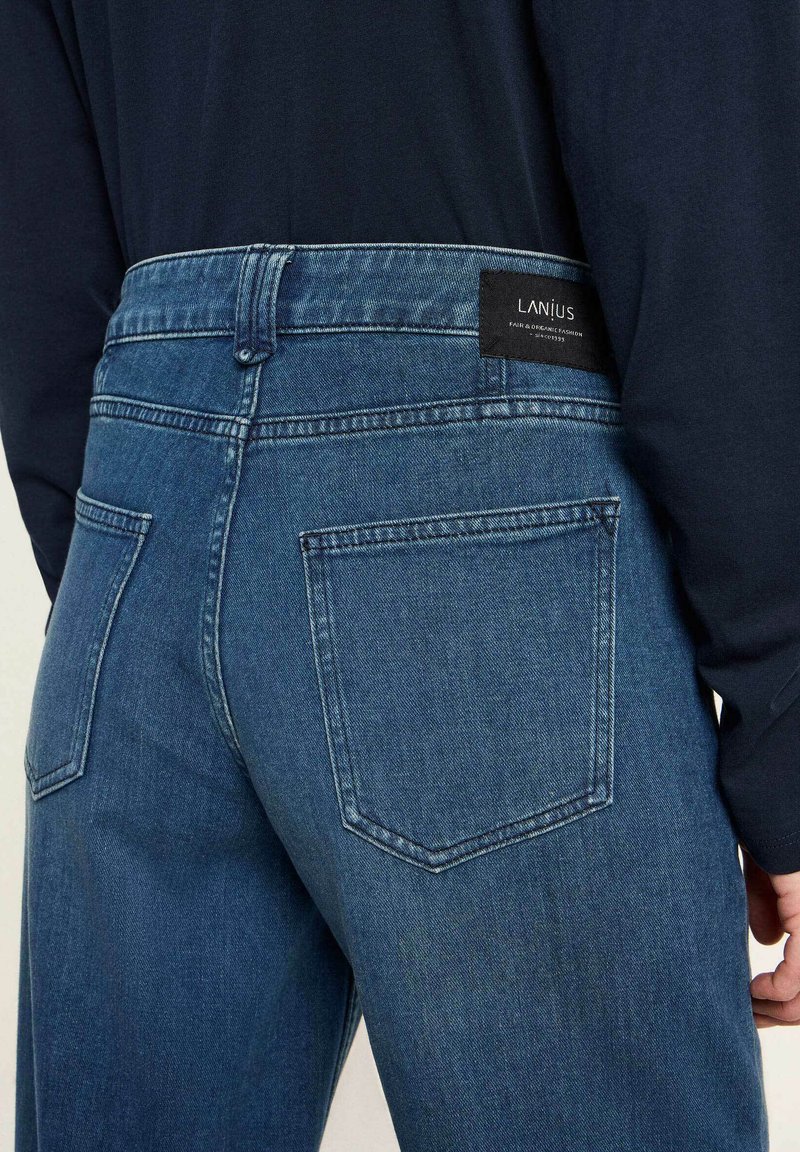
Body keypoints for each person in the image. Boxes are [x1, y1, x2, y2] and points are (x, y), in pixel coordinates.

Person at [1, 1, 798, 1149]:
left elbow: (36, 213)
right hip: (484, 460)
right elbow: (696, 173)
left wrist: (103, 565)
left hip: (134, 512)